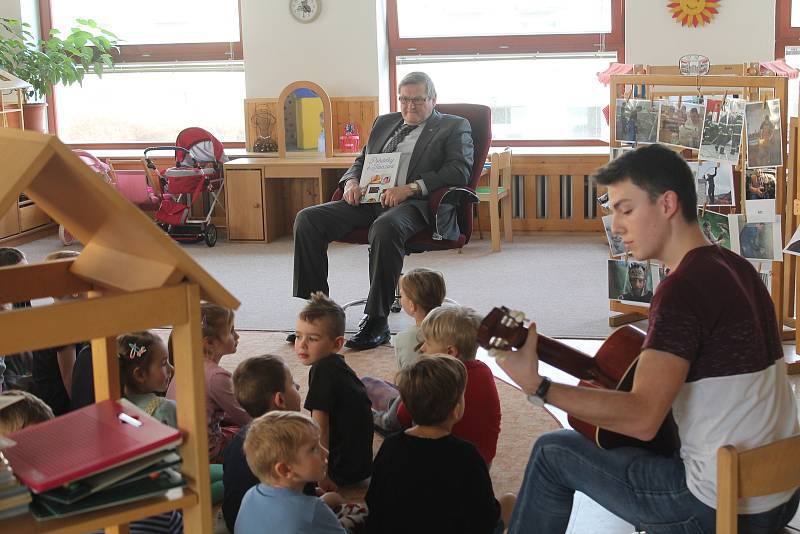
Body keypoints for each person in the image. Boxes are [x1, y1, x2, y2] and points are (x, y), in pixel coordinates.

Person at [496, 143, 799, 533]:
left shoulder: (681, 290)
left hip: (719, 507)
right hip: (781, 492)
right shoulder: (737, 266)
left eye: (626, 209)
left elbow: (641, 418)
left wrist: (538, 386)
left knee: (552, 451)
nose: (617, 226)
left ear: (667, 203)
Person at [292, 71, 474, 350]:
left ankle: (377, 320)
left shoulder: (454, 126)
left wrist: (411, 188)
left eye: (417, 100)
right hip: (370, 198)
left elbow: (459, 170)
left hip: (416, 204)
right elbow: (361, 160)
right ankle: (318, 312)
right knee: (308, 219)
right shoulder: (385, 122)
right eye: (404, 99)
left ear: (433, 99)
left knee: (385, 227)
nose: (409, 106)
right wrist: (352, 181)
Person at [365, 355, 515, 534]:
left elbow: (373, 501)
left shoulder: (391, 446)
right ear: (457, 410)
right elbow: (484, 517)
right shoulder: (467, 455)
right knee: (510, 501)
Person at [395, 305, 501, 466]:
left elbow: (402, 416)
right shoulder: (484, 371)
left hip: (438, 463)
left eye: (428, 343)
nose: (422, 348)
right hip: (481, 463)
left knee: (386, 399)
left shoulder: (436, 379)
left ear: (450, 352)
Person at [294, 292, 373, 491]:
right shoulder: (335, 365)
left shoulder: (323, 371)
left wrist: (322, 473)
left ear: (337, 344)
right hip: (359, 465)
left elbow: (321, 426)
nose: (302, 344)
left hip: (340, 468)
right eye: (298, 336)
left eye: (312, 338)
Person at [222, 355, 303, 533]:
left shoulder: (239, 438)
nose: (298, 386)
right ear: (280, 400)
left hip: (235, 522)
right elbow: (305, 505)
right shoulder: (292, 445)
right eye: (292, 383)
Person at [235, 411, 347, 534]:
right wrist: (323, 504)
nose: (326, 452)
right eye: (314, 448)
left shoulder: (249, 495)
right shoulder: (315, 511)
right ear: (285, 470)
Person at [166, 302, 251, 463]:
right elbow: (246, 417)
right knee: (253, 433)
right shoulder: (217, 376)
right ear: (209, 343)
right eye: (231, 331)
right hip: (207, 453)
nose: (237, 336)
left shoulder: (185, 364)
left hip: (182, 447)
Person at [367, 268, 447, 434]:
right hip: (447, 400)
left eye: (402, 295)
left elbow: (407, 385)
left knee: (366, 384)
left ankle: (382, 420)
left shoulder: (405, 338)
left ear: (411, 305)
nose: (400, 298)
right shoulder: (451, 331)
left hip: (416, 411)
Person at [31, 250, 87, 415]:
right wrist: (82, 410)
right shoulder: (65, 324)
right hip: (59, 404)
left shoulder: (57, 313)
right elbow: (69, 376)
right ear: (75, 291)